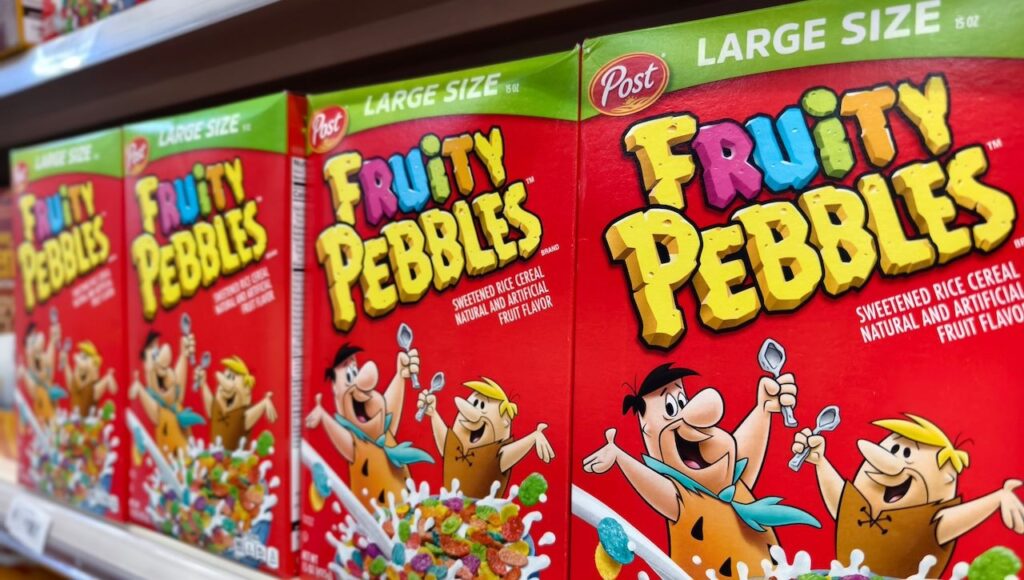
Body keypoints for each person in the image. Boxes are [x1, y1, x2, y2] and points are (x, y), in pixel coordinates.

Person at [583, 362, 818, 578]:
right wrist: (620, 456)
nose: (687, 416)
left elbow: (743, 452)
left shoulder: (730, 480)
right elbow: (655, 487)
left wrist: (763, 408)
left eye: (682, 402)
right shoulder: (683, 499)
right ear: (648, 434)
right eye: (671, 408)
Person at [793, 413, 1024, 578]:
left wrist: (999, 497)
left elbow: (959, 517)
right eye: (894, 449)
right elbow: (840, 502)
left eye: (905, 453)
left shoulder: (929, 521)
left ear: (946, 480)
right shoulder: (857, 505)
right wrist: (820, 462)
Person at [305, 344, 432, 510]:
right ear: (335, 391)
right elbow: (342, 438)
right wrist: (323, 415)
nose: (359, 386)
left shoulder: (382, 431)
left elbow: (387, 409)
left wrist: (400, 375)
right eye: (350, 377)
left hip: (409, 514)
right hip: (372, 521)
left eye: (356, 372)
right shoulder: (356, 445)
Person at [418, 377, 553, 498]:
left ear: (505, 423)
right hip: (450, 513)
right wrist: (433, 413)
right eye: (474, 403)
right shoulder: (454, 445)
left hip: (485, 516)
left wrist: (535, 436)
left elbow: (512, 451)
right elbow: (445, 443)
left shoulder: (495, 456)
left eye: (482, 406)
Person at [196, 356, 277, 450]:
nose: (223, 383)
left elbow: (252, 414)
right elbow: (210, 406)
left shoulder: (242, 415)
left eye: (231, 378)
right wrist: (203, 383)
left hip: (238, 459)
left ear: (246, 390)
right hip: (214, 457)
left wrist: (265, 402)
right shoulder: (216, 407)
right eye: (226, 376)